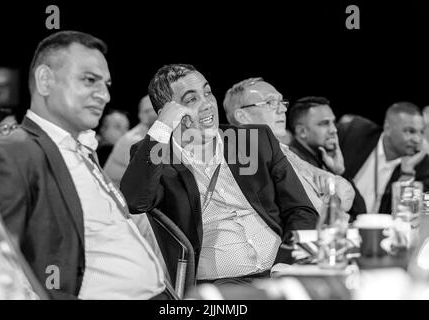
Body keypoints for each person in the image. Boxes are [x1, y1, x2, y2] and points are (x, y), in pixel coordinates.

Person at [0, 31, 168, 300]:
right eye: (89, 80)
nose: (104, 94)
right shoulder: (11, 154)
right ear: (45, 81)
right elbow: (1, 274)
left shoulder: (81, 149)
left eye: (107, 84)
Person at [120, 64, 318, 286]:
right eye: (191, 99)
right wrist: (162, 128)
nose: (207, 104)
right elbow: (135, 201)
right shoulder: (158, 155)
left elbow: (302, 210)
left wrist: (288, 263)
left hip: (283, 269)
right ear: (169, 113)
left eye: (207, 92)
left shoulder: (256, 140)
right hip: (222, 284)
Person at [222, 77, 355, 214]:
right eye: (271, 102)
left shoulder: (286, 152)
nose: (283, 109)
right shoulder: (244, 161)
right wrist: (328, 203)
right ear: (242, 116)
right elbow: (305, 209)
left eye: (281, 102)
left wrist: (332, 201)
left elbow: (345, 188)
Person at [338, 102, 429, 213]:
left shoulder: (422, 165)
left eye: (421, 132)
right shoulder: (354, 133)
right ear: (388, 128)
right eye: (410, 131)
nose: (417, 139)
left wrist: (407, 173)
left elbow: (406, 217)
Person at [288, 96, 366, 216]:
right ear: (302, 131)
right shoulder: (292, 163)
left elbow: (360, 213)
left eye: (333, 122)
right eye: (324, 124)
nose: (334, 130)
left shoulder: (322, 158)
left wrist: (339, 172)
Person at [104, 95, 157, 186]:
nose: (152, 113)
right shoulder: (133, 139)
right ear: (140, 115)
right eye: (147, 110)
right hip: (114, 194)